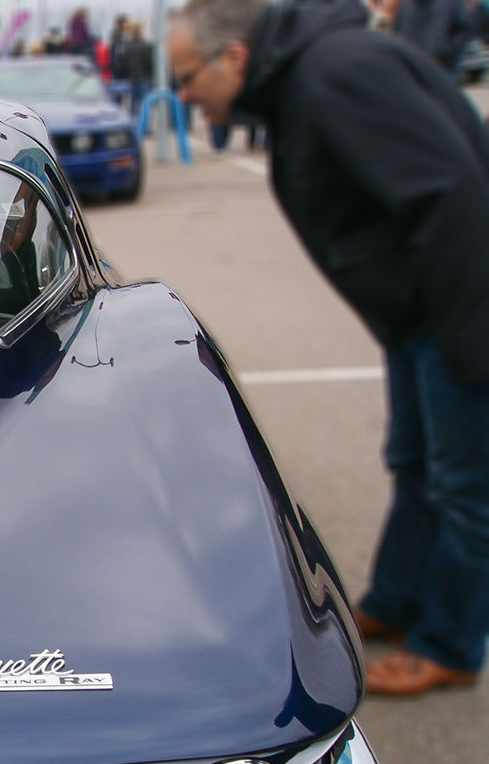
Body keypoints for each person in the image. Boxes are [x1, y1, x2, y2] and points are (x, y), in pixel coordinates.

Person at [168, 0, 489, 696]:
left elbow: (454, 198)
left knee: (466, 490)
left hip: (459, 318)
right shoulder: (305, 82)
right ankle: (401, 600)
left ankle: (452, 643)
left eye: (187, 80)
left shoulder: (336, 75)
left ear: (235, 59)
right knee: (415, 464)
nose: (183, 97)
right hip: (418, 321)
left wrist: (468, 342)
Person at [392, 0, 475, 71]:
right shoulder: (406, 3)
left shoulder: (451, 2)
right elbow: (397, 30)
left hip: (439, 68)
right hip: (410, 67)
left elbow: (465, 30)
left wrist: (445, 49)